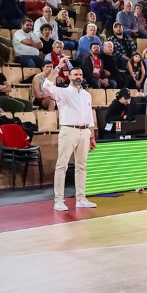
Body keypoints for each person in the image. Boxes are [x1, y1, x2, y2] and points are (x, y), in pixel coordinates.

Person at [40, 63, 98, 212]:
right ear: (69, 77)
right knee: (62, 165)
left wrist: (92, 136)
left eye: (80, 75)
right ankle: (58, 200)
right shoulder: (62, 92)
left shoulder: (86, 95)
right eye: (75, 74)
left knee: (82, 166)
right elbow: (46, 86)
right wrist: (58, 67)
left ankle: (81, 198)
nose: (78, 77)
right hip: (68, 130)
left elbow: (89, 116)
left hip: (84, 131)